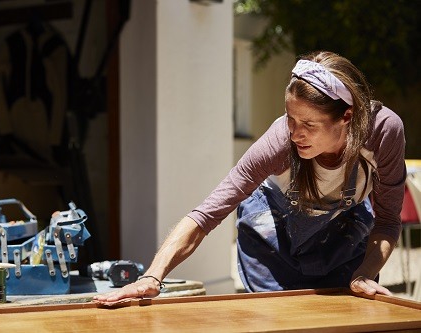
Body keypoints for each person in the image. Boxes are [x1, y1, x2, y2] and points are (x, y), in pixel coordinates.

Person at [93, 51, 405, 305]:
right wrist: (152, 276)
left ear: (346, 117)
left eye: (308, 123)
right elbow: (206, 215)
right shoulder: (279, 143)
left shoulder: (383, 132)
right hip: (273, 240)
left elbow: (388, 219)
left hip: (343, 237)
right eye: (290, 118)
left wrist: (365, 273)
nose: (295, 133)